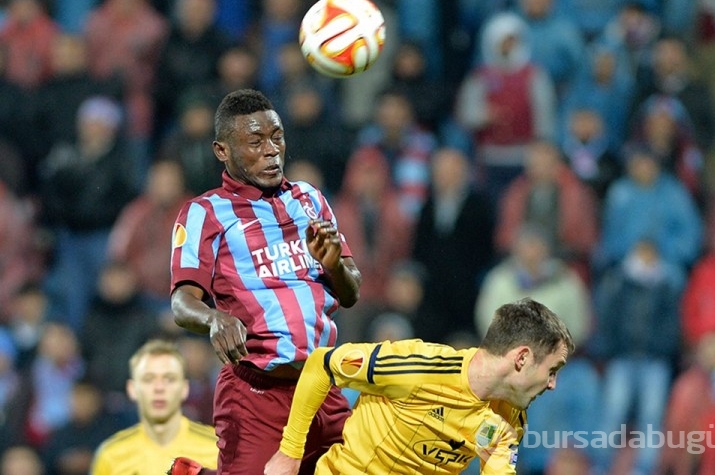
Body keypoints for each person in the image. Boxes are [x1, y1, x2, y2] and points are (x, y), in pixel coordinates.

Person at [168, 88, 362, 475]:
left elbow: (352, 291)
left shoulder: (310, 199)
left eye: (277, 137)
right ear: (222, 151)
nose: (272, 150)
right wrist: (213, 318)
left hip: (323, 388)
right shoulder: (204, 212)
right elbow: (181, 302)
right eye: (255, 142)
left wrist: (334, 266)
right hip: (256, 394)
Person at [265, 297, 574, 475]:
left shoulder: (509, 419)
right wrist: (290, 451)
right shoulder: (417, 367)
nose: (553, 384)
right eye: (552, 370)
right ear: (521, 358)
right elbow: (321, 364)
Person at [89, 339, 218, 475]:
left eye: (169, 379)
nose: (159, 388)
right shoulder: (110, 455)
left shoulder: (215, 449)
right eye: (148, 379)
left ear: (184, 388)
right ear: (132, 389)